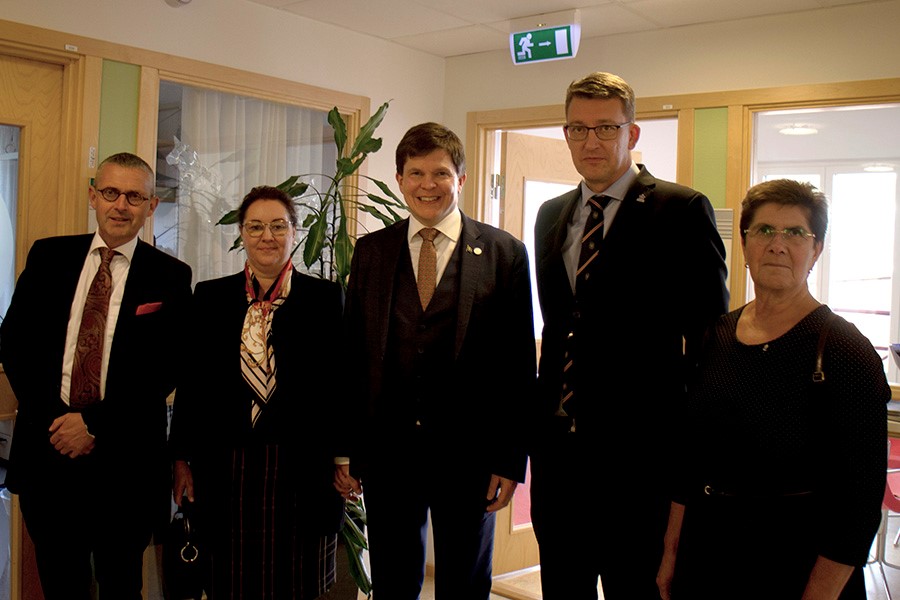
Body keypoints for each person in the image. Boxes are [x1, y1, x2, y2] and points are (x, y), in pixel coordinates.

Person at [530, 71, 730, 600]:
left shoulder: (681, 210)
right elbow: (559, 328)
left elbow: (710, 340)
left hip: (639, 461)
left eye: (605, 128)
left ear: (632, 134)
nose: (590, 141)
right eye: (577, 129)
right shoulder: (551, 216)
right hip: (560, 461)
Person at [656, 179, 890, 600]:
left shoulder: (844, 351)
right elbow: (689, 462)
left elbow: (858, 501)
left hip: (794, 565)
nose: (777, 244)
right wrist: (670, 553)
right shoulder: (716, 336)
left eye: (795, 233)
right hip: (707, 555)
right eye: (763, 230)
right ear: (744, 244)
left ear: (816, 250)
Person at [338, 122, 536, 599]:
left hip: (469, 456)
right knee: (394, 579)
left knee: (465, 581)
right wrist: (346, 449)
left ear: (461, 179)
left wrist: (510, 460)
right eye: (416, 173)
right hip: (389, 455)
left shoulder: (503, 253)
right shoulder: (372, 252)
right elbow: (353, 357)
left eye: (441, 173)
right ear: (401, 179)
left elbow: (517, 365)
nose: (428, 184)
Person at [0, 152, 192, 599]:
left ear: (151, 206)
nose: (120, 205)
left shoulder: (171, 276)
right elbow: (15, 343)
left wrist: (92, 424)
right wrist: (59, 420)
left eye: (133, 196)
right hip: (49, 452)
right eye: (110, 193)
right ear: (93, 196)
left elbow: (164, 368)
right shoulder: (49, 256)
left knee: (121, 585)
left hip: (125, 464)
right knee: (60, 582)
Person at [169, 185, 345, 599]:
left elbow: (340, 385)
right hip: (226, 468)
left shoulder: (325, 298)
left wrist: (344, 457)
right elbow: (191, 387)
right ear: (242, 233)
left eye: (278, 226)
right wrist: (181, 459)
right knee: (229, 582)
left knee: (294, 584)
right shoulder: (210, 297)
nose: (267, 236)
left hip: (300, 468)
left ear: (296, 232)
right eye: (256, 226)